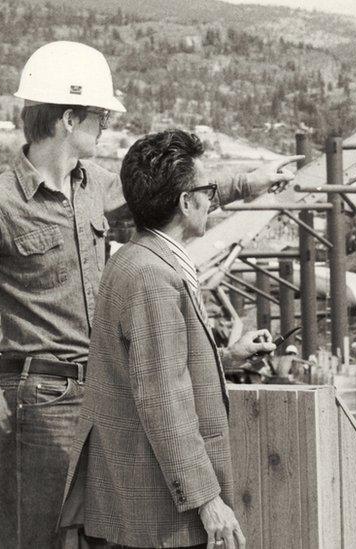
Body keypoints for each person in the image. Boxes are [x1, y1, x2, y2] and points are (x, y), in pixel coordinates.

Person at [0, 41, 296, 547]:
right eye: (100, 116)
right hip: (42, 406)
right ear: (69, 118)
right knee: (38, 541)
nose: (106, 125)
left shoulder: (96, 186)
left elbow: (174, 191)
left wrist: (248, 180)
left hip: (107, 395)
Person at [60, 129, 265, 548]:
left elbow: (150, 368)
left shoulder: (137, 260)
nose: (211, 199)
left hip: (147, 506)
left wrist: (224, 359)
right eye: (207, 190)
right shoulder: (153, 277)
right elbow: (161, 396)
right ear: (186, 202)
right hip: (159, 514)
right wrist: (207, 500)